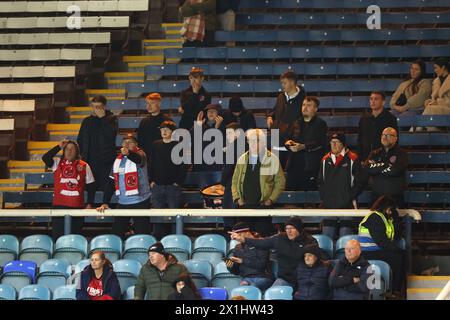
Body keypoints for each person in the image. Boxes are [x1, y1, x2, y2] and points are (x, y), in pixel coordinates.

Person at [230, 217, 318, 288]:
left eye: (292, 228)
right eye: (287, 228)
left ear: (299, 229)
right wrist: (243, 239)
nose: (289, 231)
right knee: (273, 294)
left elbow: (316, 259)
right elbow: (262, 242)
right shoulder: (280, 238)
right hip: (286, 279)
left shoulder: (310, 241)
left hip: (305, 278)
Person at [231, 129, 285, 236]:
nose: (254, 144)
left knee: (262, 238)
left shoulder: (272, 159)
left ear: (263, 142)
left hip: (263, 207)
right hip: (244, 207)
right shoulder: (242, 158)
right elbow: (235, 180)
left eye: (257, 141)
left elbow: (280, 181)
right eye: (251, 141)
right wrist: (238, 198)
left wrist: (270, 200)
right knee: (244, 239)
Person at [96, 136, 151, 237]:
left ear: (136, 145)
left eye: (129, 143)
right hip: (122, 202)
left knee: (142, 234)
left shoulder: (141, 154)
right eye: (124, 143)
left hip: (140, 201)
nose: (126, 145)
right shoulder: (118, 160)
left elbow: (138, 159)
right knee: (116, 233)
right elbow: (111, 182)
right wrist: (105, 202)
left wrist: (129, 153)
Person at [42, 140, 95, 240]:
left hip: (77, 208)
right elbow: (45, 158)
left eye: (72, 149)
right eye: (67, 149)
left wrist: (89, 203)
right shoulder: (57, 163)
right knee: (58, 238)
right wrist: (58, 146)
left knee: (75, 239)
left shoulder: (84, 166)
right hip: (59, 207)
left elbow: (91, 186)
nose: (69, 151)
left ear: (77, 152)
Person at [318, 133, 364, 239]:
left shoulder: (353, 158)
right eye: (332, 142)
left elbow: (360, 182)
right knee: (326, 237)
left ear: (343, 144)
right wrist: (326, 198)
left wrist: (348, 197)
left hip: (347, 206)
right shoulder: (325, 160)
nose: (333, 145)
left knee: (345, 238)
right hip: (329, 206)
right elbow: (320, 182)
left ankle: (344, 256)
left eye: (337, 142)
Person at [358, 195, 406, 297]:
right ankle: (394, 290)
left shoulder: (385, 219)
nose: (391, 212)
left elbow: (395, 236)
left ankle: (396, 289)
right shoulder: (374, 217)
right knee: (397, 257)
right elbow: (381, 241)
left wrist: (397, 220)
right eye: (390, 209)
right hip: (368, 252)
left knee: (400, 254)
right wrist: (396, 250)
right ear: (385, 207)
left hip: (378, 250)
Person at [149, 120, 187, 238]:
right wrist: (152, 180)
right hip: (158, 185)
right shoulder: (155, 144)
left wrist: (178, 181)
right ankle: (158, 237)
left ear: (172, 131)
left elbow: (182, 165)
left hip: (172, 185)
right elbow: (151, 163)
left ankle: (176, 237)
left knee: (174, 212)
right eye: (162, 129)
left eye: (167, 129)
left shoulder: (178, 146)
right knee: (157, 214)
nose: (164, 131)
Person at [285, 96, 328, 191]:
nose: (305, 107)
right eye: (303, 105)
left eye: (309, 105)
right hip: (294, 165)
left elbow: (321, 143)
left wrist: (303, 147)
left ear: (315, 109)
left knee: (309, 200)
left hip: (311, 167)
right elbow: (288, 139)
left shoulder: (320, 124)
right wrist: (288, 144)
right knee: (291, 198)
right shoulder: (296, 122)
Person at [77, 95, 118, 190]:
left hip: (105, 160)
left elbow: (111, 136)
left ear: (104, 107)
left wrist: (102, 118)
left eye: (98, 107)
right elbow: (80, 140)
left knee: (104, 187)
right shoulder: (86, 121)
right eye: (93, 106)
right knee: (90, 186)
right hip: (89, 159)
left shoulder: (111, 119)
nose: (95, 109)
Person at [266, 71, 306, 167]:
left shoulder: (303, 100)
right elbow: (275, 111)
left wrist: (292, 141)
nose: (282, 85)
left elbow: (302, 123)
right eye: (282, 83)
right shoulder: (281, 97)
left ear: (292, 83)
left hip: (289, 145)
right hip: (276, 143)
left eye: (285, 83)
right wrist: (270, 116)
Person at [363, 127, 408, 207]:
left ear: (395, 138)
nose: (384, 137)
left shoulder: (401, 154)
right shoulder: (374, 153)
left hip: (395, 198)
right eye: (383, 135)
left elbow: (395, 170)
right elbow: (367, 168)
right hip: (376, 198)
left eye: (388, 135)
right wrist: (385, 165)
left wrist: (377, 167)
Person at [225, 222, 273, 291]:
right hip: (246, 278)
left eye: (239, 235)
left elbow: (261, 264)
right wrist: (230, 265)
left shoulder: (261, 243)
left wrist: (242, 260)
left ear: (247, 233)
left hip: (263, 277)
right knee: (242, 289)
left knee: (252, 288)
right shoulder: (237, 248)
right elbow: (236, 272)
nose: (237, 238)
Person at [358, 91, 398, 162]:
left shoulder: (390, 119)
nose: (372, 101)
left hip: (383, 159)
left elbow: (394, 141)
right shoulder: (364, 119)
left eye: (376, 99)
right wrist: (361, 158)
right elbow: (360, 139)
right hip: (366, 158)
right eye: (371, 99)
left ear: (383, 102)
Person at [191, 103, 225, 173]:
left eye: (213, 111)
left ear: (219, 114)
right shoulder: (201, 126)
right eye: (208, 111)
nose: (210, 113)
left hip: (215, 167)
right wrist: (198, 125)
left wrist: (217, 128)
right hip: (199, 166)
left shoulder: (224, 128)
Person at [137, 93, 171, 160]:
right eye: (147, 103)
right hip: (148, 158)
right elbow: (140, 142)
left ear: (159, 104)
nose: (149, 106)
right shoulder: (143, 122)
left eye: (152, 103)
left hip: (163, 158)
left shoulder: (167, 121)